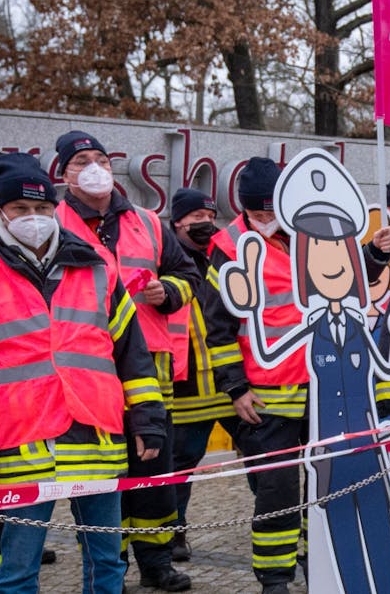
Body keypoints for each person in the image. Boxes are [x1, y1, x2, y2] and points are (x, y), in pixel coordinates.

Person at [0, 152, 168, 594]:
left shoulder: (97, 264)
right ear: (0, 212)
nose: (34, 218)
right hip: (22, 438)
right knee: (20, 568)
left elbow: (131, 353)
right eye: (21, 210)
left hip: (96, 432)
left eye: (42, 209)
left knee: (107, 562)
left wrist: (148, 418)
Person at [208, 158, 390, 594]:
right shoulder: (229, 245)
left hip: (321, 384)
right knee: (276, 488)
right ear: (244, 210)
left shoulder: (305, 232)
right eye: (257, 215)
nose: (267, 222)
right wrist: (236, 388)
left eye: (271, 212)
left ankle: (321, 561)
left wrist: (374, 255)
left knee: (326, 481)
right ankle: (275, 577)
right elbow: (217, 328)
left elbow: (345, 282)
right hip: (265, 393)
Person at [52, 131, 199, 591]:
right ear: (64, 174)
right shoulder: (49, 225)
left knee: (153, 471)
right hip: (88, 369)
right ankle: (106, 564)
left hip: (149, 367)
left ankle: (156, 564)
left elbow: (188, 273)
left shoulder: (149, 222)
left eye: (100, 158)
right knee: (100, 474)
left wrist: (168, 291)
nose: (94, 167)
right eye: (81, 161)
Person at [162, 188, 239, 563]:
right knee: (180, 467)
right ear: (177, 222)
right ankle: (173, 535)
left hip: (229, 384)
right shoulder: (166, 260)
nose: (205, 224)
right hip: (185, 385)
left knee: (264, 461)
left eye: (210, 218)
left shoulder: (221, 257)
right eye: (196, 218)